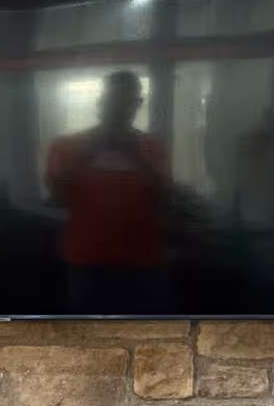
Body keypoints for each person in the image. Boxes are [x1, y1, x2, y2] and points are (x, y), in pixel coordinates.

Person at [44, 69, 175, 313]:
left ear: (137, 104)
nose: (119, 106)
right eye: (113, 98)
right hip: (87, 262)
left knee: (154, 338)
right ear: (100, 101)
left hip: (145, 263)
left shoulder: (152, 148)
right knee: (91, 340)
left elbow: (167, 200)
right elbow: (56, 197)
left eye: (127, 100)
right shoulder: (67, 146)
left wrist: (139, 159)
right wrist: (85, 156)